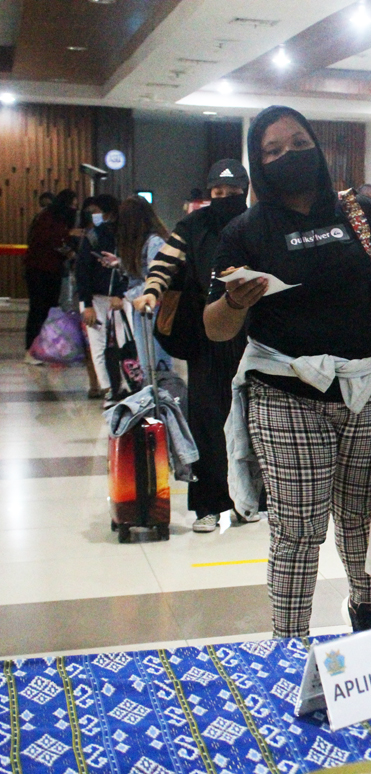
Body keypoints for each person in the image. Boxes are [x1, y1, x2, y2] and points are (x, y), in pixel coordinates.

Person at [204, 105, 371, 637]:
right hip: (283, 394)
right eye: (273, 150)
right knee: (298, 529)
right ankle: (288, 642)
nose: (289, 154)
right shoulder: (244, 231)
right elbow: (216, 327)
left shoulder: (360, 215)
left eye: (297, 141)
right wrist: (236, 303)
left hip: (368, 389)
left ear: (315, 144)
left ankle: (366, 610)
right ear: (258, 165)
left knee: (361, 516)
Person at [135, 159, 257, 534]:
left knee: (253, 423)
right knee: (207, 420)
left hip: (254, 339)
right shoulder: (194, 226)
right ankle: (208, 505)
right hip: (207, 339)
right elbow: (165, 263)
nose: (224, 200)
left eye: (233, 194)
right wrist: (151, 293)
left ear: (245, 192)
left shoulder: (258, 224)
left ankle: (249, 501)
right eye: (217, 194)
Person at [100, 196, 171, 375]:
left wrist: (129, 295)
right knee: (147, 364)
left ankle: (163, 399)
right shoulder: (143, 242)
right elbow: (143, 269)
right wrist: (120, 263)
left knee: (156, 363)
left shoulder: (155, 242)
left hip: (153, 310)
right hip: (142, 310)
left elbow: (157, 279)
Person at [78, 194, 123, 402]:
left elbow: (125, 269)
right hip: (95, 298)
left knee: (123, 343)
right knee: (97, 345)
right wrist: (86, 304)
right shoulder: (92, 236)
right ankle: (107, 389)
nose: (93, 215)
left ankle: (123, 386)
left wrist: (119, 294)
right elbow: (82, 271)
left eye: (96, 210)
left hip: (118, 299)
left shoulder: (122, 235)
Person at [23, 189, 76, 364]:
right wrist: (69, 245)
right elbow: (53, 241)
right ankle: (31, 350)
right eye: (73, 204)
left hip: (50, 270)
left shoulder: (54, 218)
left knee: (47, 310)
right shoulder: (50, 218)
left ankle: (43, 349)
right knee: (38, 309)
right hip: (40, 270)